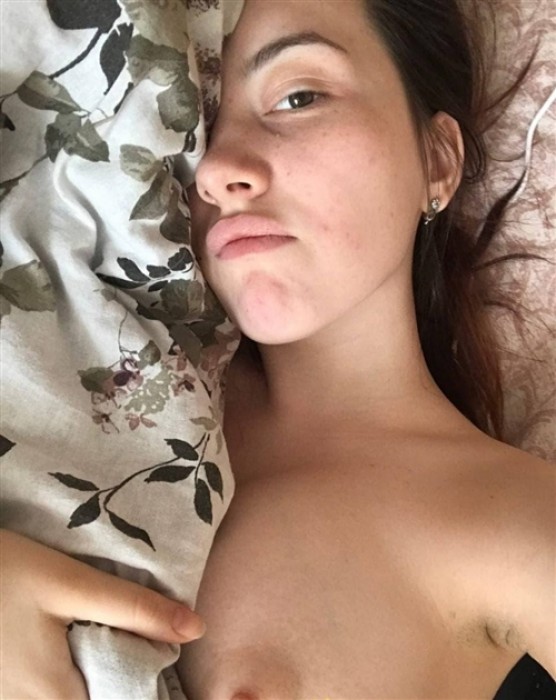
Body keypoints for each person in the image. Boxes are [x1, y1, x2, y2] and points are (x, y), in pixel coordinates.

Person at [1, 0, 554, 698]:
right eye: (196, 126)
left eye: (299, 96)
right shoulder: (63, 376)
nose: (220, 168)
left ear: (437, 160)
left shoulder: (512, 523)